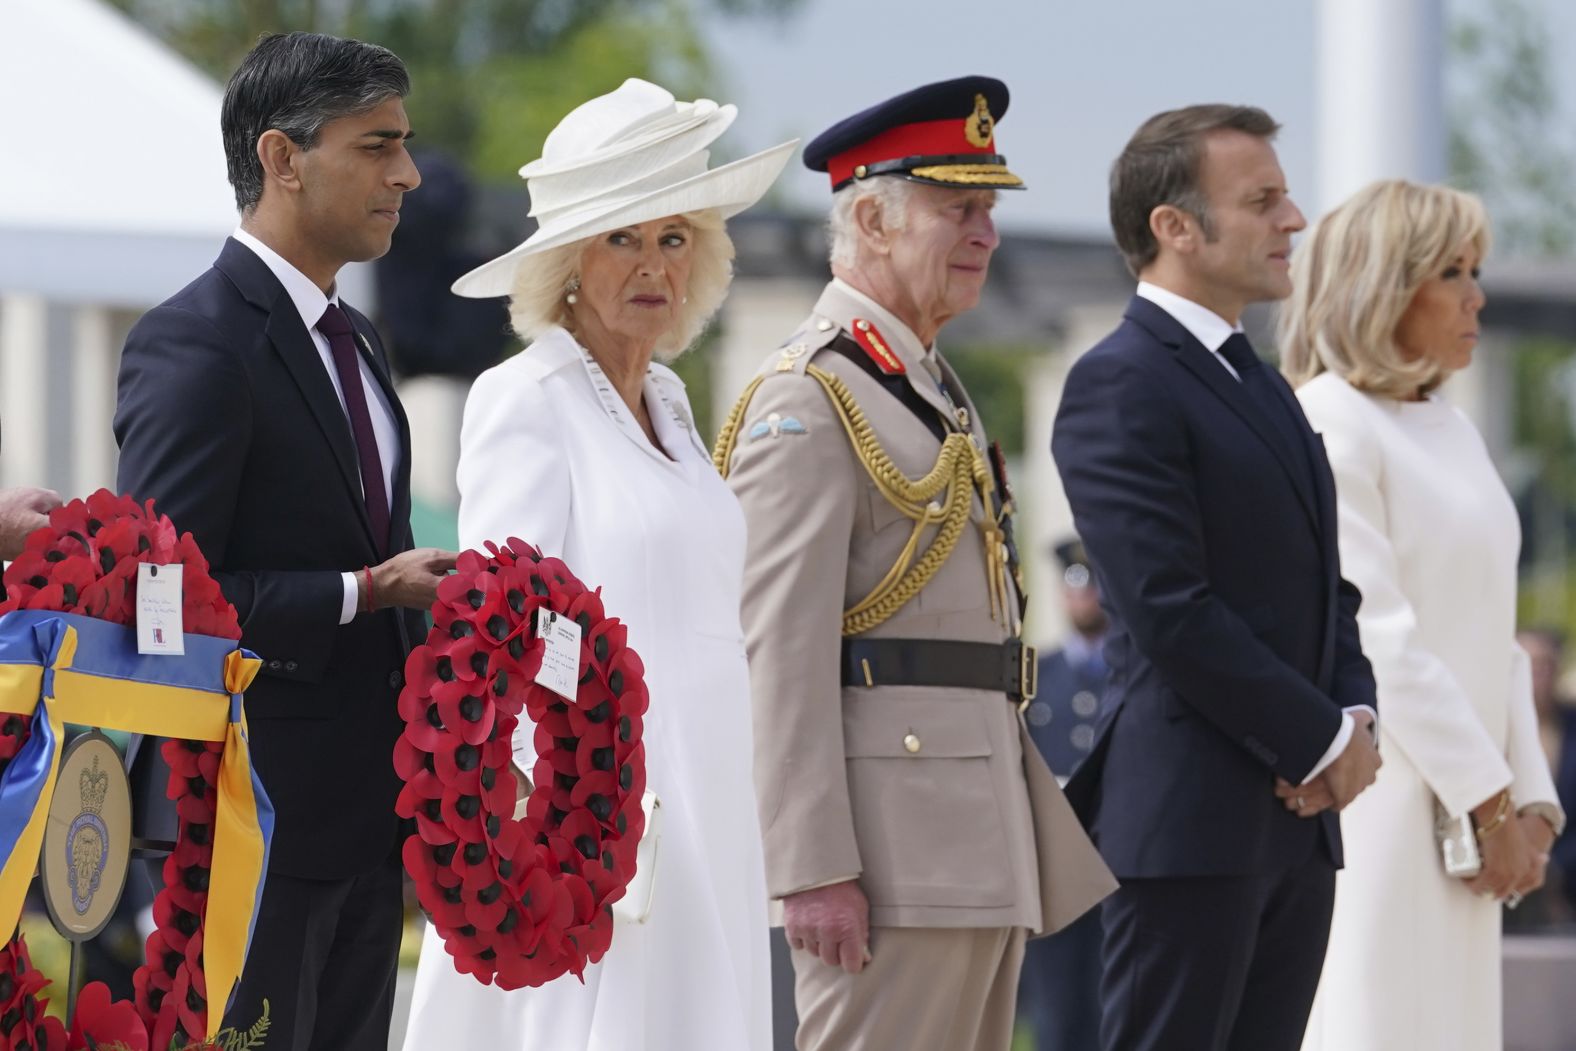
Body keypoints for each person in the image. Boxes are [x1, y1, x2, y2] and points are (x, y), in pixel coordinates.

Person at [718, 76, 1113, 1051]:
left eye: (988, 210)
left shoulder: (926, 385)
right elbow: (778, 646)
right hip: (888, 850)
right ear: (871, 219)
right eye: (957, 208)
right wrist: (811, 864)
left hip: (971, 827)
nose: (985, 232)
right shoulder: (808, 398)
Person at [399, 78, 794, 1051]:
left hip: (711, 793)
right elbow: (501, 629)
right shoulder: (524, 396)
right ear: (567, 262)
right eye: (623, 237)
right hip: (598, 815)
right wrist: (555, 832)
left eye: (673, 236)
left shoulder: (670, 400)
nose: (653, 263)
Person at [113, 32, 454, 1051]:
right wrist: (361, 592)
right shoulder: (196, 341)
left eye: (405, 143)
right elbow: (159, 599)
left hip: (365, 824)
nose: (408, 172)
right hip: (243, 828)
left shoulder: (357, 340)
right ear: (281, 158)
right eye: (376, 144)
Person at [1050, 104, 1381, 1051]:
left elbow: (1328, 583)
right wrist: (1318, 737)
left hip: (1295, 828)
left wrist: (1356, 721)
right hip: (1190, 828)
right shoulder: (1120, 380)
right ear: (1176, 227)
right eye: (1264, 199)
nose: (1295, 220)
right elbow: (1167, 608)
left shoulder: (1263, 381)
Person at [1281, 179, 1564, 1051]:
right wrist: (1490, 799)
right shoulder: (1329, 418)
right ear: (1382, 284)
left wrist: (1536, 806)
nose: (1478, 294)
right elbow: (1380, 637)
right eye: (1453, 271)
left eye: (1476, 269)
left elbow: (1494, 634)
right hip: (1389, 804)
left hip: (1476, 819)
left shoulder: (1451, 427)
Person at [1016, 537, 1107, 1050]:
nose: (1084, 598)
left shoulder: (1131, 672)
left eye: (1092, 586)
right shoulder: (1035, 676)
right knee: (1058, 1019)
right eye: (1074, 587)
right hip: (1053, 874)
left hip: (1117, 871)